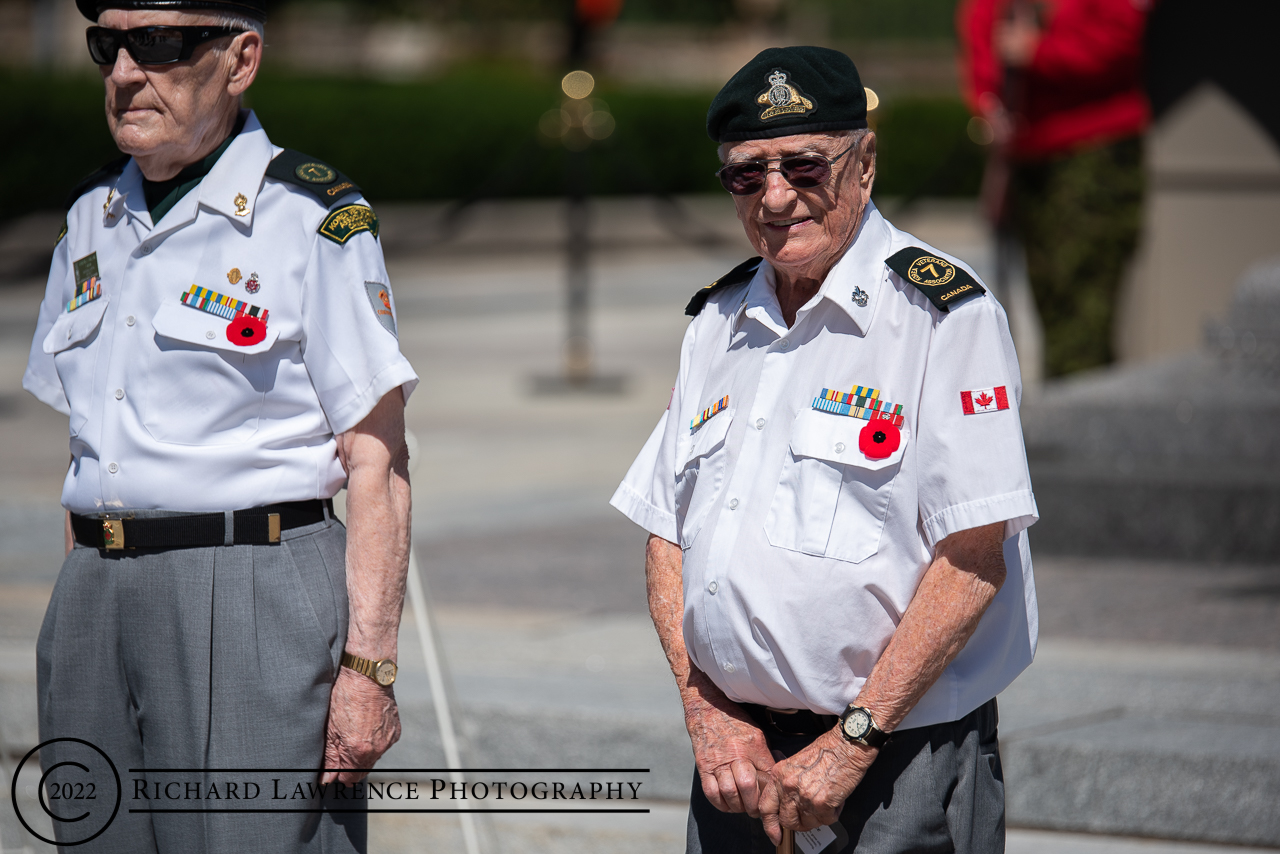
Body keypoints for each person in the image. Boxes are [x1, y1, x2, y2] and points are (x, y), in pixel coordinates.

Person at [611, 46, 1040, 852]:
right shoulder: (720, 319)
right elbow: (668, 530)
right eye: (747, 174)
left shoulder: (943, 315)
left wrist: (852, 744)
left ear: (865, 164)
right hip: (736, 761)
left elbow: (975, 553)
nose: (777, 197)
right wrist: (708, 714)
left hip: (897, 759)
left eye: (805, 166)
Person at [22, 2, 417, 851]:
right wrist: (83, 592)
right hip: (95, 586)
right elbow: (89, 440)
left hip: (247, 584)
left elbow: (376, 457)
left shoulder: (311, 216)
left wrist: (369, 669)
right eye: (110, 46)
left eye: (160, 45)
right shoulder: (91, 214)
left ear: (239, 61)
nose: (127, 71)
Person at [958, 0, 1152, 376]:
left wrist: (1039, 52)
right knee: (1049, 298)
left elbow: (1118, 40)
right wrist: (989, 100)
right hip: (1028, 149)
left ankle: (1078, 422)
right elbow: (982, 24)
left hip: (1095, 149)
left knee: (1083, 310)